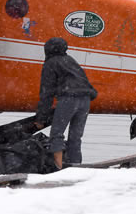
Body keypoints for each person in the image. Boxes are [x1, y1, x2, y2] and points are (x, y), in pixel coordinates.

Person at [33, 37, 98, 168]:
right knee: (76, 136)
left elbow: (46, 93)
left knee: (56, 134)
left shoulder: (51, 63)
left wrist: (41, 118)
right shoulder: (70, 60)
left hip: (69, 98)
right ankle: (75, 165)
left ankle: (58, 168)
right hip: (85, 99)